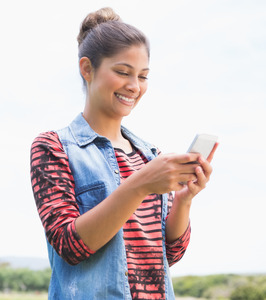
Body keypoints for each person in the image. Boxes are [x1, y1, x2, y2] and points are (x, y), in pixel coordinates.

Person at [30, 7, 218, 300]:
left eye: (143, 76)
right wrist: (140, 184)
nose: (134, 86)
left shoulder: (149, 156)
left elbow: (169, 254)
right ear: (87, 69)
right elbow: (69, 245)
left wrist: (183, 200)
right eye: (122, 72)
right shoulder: (53, 147)